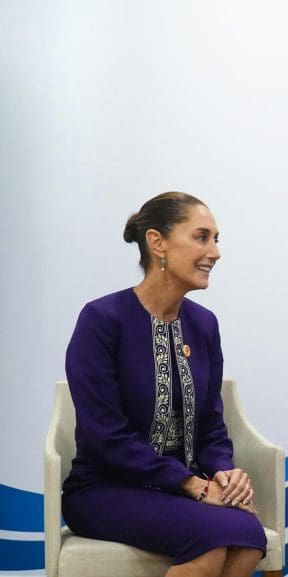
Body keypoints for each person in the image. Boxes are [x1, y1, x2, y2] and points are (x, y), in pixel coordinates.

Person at [63, 192, 266, 577]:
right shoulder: (102, 320)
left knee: (248, 535)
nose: (215, 252)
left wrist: (223, 472)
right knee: (211, 537)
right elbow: (107, 436)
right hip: (104, 489)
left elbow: (210, 424)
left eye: (216, 239)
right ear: (157, 242)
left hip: (179, 490)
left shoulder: (204, 325)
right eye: (201, 237)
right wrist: (194, 486)